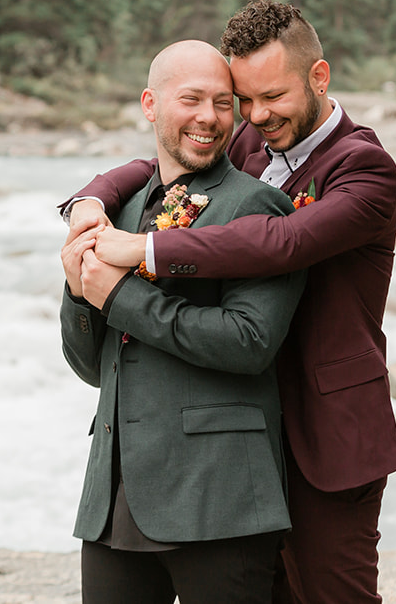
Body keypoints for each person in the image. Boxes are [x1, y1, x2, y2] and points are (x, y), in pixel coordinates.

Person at [63, 0, 396, 604]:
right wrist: (88, 201)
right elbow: (154, 163)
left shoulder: (366, 169)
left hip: (322, 430)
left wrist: (144, 249)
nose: (255, 115)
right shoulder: (252, 137)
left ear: (318, 78)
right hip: (236, 429)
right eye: (243, 99)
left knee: (332, 596)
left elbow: (283, 240)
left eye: (271, 97)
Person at [60, 39, 305, 604]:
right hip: (114, 497)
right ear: (151, 104)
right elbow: (90, 367)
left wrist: (118, 296)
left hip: (220, 498)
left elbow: (251, 342)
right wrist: (79, 294)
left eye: (223, 103)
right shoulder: (113, 211)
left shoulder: (256, 207)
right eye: (191, 99)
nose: (209, 118)